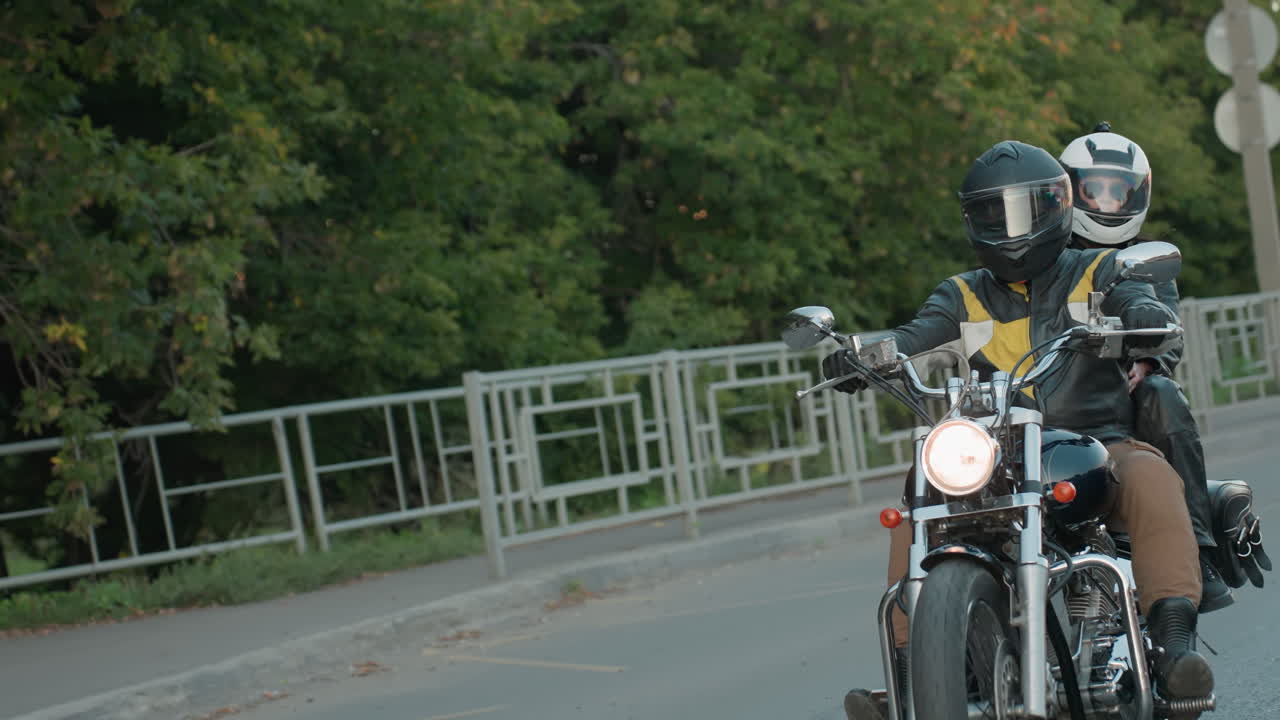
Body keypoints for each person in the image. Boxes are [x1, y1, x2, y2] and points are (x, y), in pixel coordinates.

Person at [835, 140, 1212, 720]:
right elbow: (915, 335)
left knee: (1152, 476)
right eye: (993, 212)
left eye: (1025, 210)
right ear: (972, 220)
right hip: (995, 453)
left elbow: (1136, 297)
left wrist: (1143, 316)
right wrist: (861, 354)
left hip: (1094, 444)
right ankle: (913, 678)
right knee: (919, 493)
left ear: (1057, 208)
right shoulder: (960, 294)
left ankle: (1173, 648)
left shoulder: (1099, 271)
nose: (1009, 228)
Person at [1058, 122, 1236, 613]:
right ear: (1070, 190)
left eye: (1120, 190)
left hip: (1123, 401)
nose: (1108, 201)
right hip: (1055, 394)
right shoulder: (1048, 255)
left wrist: (1151, 358)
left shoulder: (1147, 260)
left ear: (1138, 193)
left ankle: (1200, 548)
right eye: (1096, 189)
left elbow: (1168, 325)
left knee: (1162, 392)